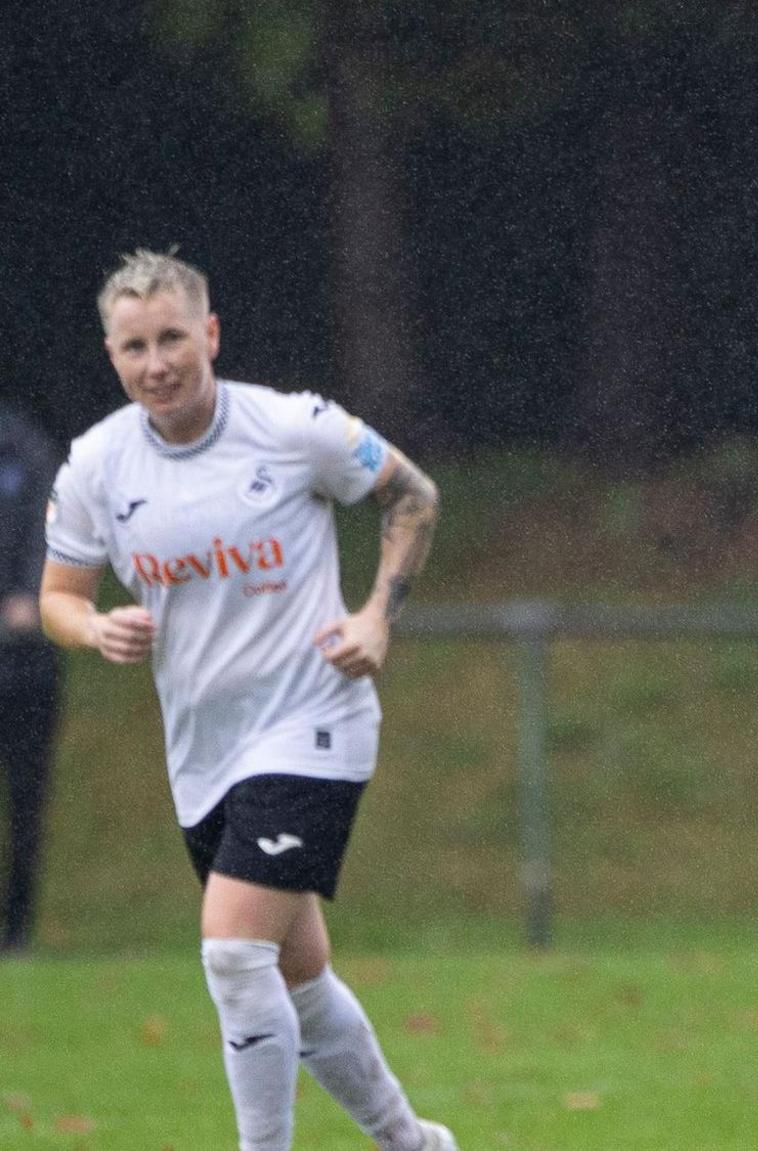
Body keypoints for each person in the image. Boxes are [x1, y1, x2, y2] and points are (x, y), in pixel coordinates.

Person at [39, 250, 457, 1151]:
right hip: (203, 751)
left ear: (211, 334)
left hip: (314, 723)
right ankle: (413, 1142)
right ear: (111, 355)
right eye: (135, 346)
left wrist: (377, 618)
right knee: (297, 977)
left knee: (233, 953)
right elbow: (57, 597)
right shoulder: (97, 466)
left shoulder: (290, 426)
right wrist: (91, 628)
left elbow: (412, 495)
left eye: (173, 339)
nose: (157, 363)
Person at [1, 403, 63, 952]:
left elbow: (51, 535)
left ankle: (16, 929)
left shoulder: (25, 447)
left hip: (24, 664)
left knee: (26, 800)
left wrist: (28, 595)